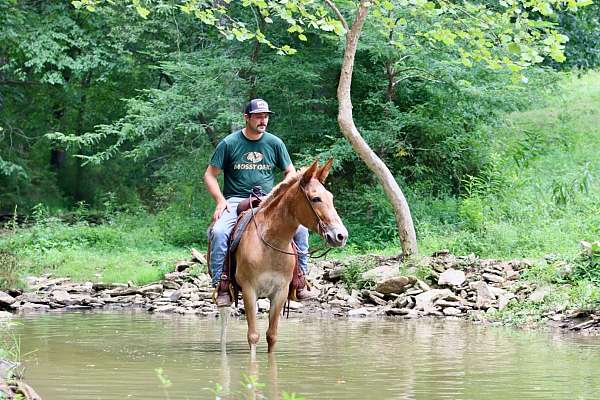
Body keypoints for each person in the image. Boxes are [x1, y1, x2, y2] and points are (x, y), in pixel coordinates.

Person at [204, 98, 318, 306]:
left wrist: (282, 195)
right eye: (258, 116)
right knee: (219, 232)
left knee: (301, 230)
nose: (263, 120)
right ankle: (222, 284)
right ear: (246, 118)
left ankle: (299, 280)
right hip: (236, 200)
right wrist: (220, 201)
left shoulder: (275, 143)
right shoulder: (229, 143)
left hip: (270, 200)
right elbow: (210, 175)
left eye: (265, 116)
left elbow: (290, 172)